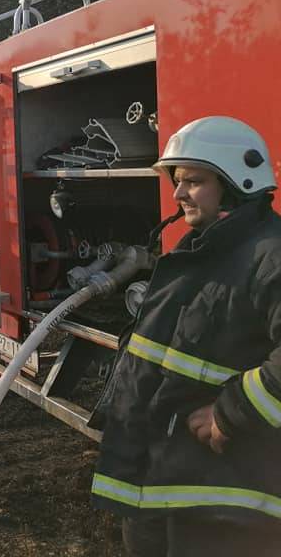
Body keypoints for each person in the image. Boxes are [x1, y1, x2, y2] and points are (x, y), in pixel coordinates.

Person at [89, 116, 281, 556]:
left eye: (192, 181)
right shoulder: (205, 250)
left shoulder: (269, 256)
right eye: (178, 182)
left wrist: (229, 413)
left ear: (236, 183)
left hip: (223, 502)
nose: (177, 194)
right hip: (162, 486)